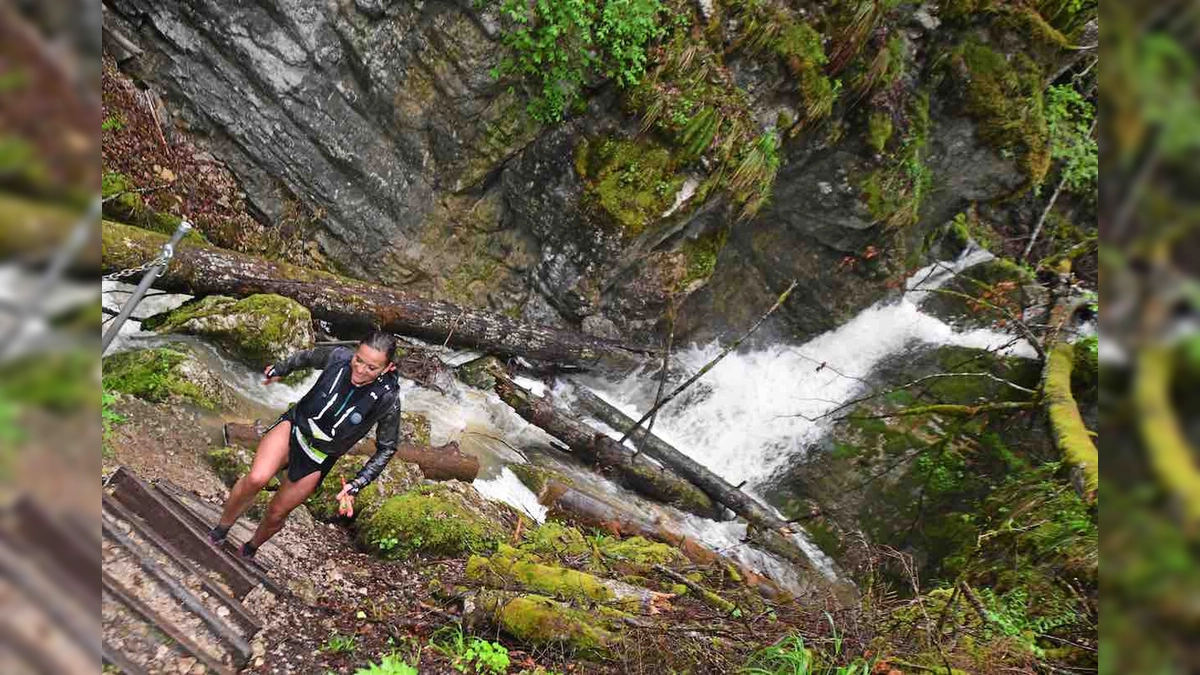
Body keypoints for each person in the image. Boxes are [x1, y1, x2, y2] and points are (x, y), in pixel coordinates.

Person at [208, 330, 403, 558]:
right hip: (295, 428)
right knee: (256, 478)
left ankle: (250, 549)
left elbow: (387, 447)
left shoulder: (387, 399)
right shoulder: (338, 357)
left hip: (319, 456)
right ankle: (220, 530)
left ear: (387, 368)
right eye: (358, 360)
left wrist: (358, 482)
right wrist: (280, 369)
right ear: (355, 351)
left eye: (371, 368)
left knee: (277, 513)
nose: (360, 370)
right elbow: (308, 357)